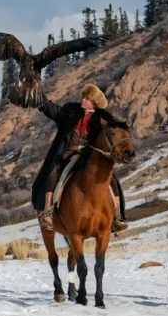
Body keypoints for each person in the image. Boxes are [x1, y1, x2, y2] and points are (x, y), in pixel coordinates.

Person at [31, 83, 128, 233]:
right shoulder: (70, 112)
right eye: (83, 97)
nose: (83, 100)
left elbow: (114, 135)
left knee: (113, 181)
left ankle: (117, 217)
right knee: (53, 176)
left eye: (87, 98)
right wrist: (37, 95)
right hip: (69, 154)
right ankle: (48, 214)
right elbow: (52, 110)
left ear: (95, 103)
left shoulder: (104, 120)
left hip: (90, 157)